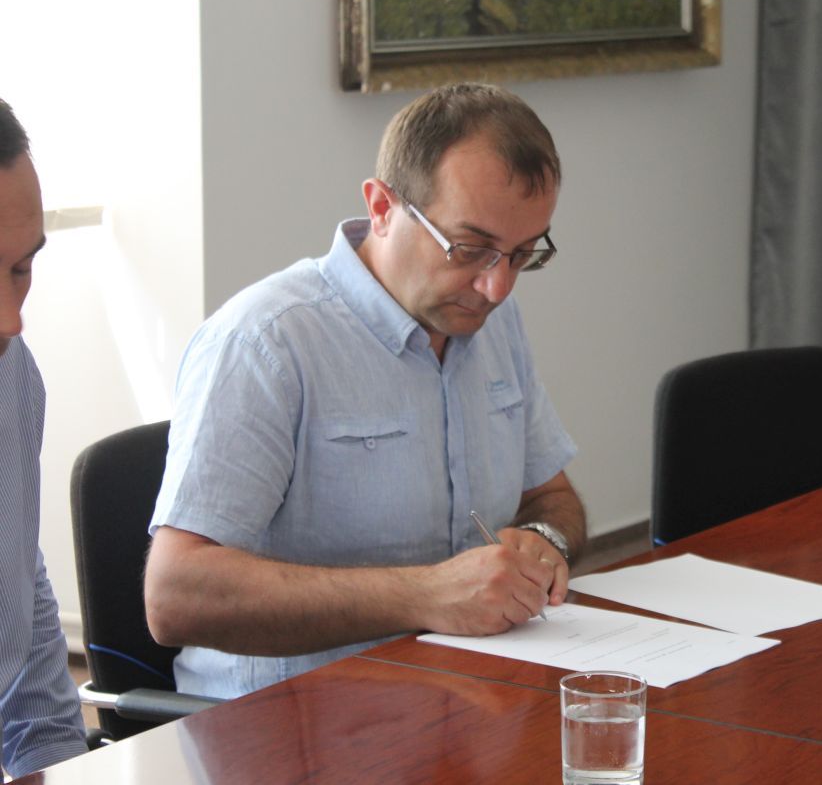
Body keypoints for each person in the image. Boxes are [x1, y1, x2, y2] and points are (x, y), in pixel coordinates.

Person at [144, 83, 586, 699]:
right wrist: (426, 595)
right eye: (470, 249)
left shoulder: (491, 321)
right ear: (382, 207)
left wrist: (544, 542)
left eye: (521, 255)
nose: (498, 288)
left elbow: (553, 497)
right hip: (287, 716)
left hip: (462, 693)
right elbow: (175, 595)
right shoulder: (265, 343)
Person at [0, 98, 89, 777]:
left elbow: (19, 596)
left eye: (20, 270)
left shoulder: (12, 378)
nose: (12, 322)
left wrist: (57, 760)